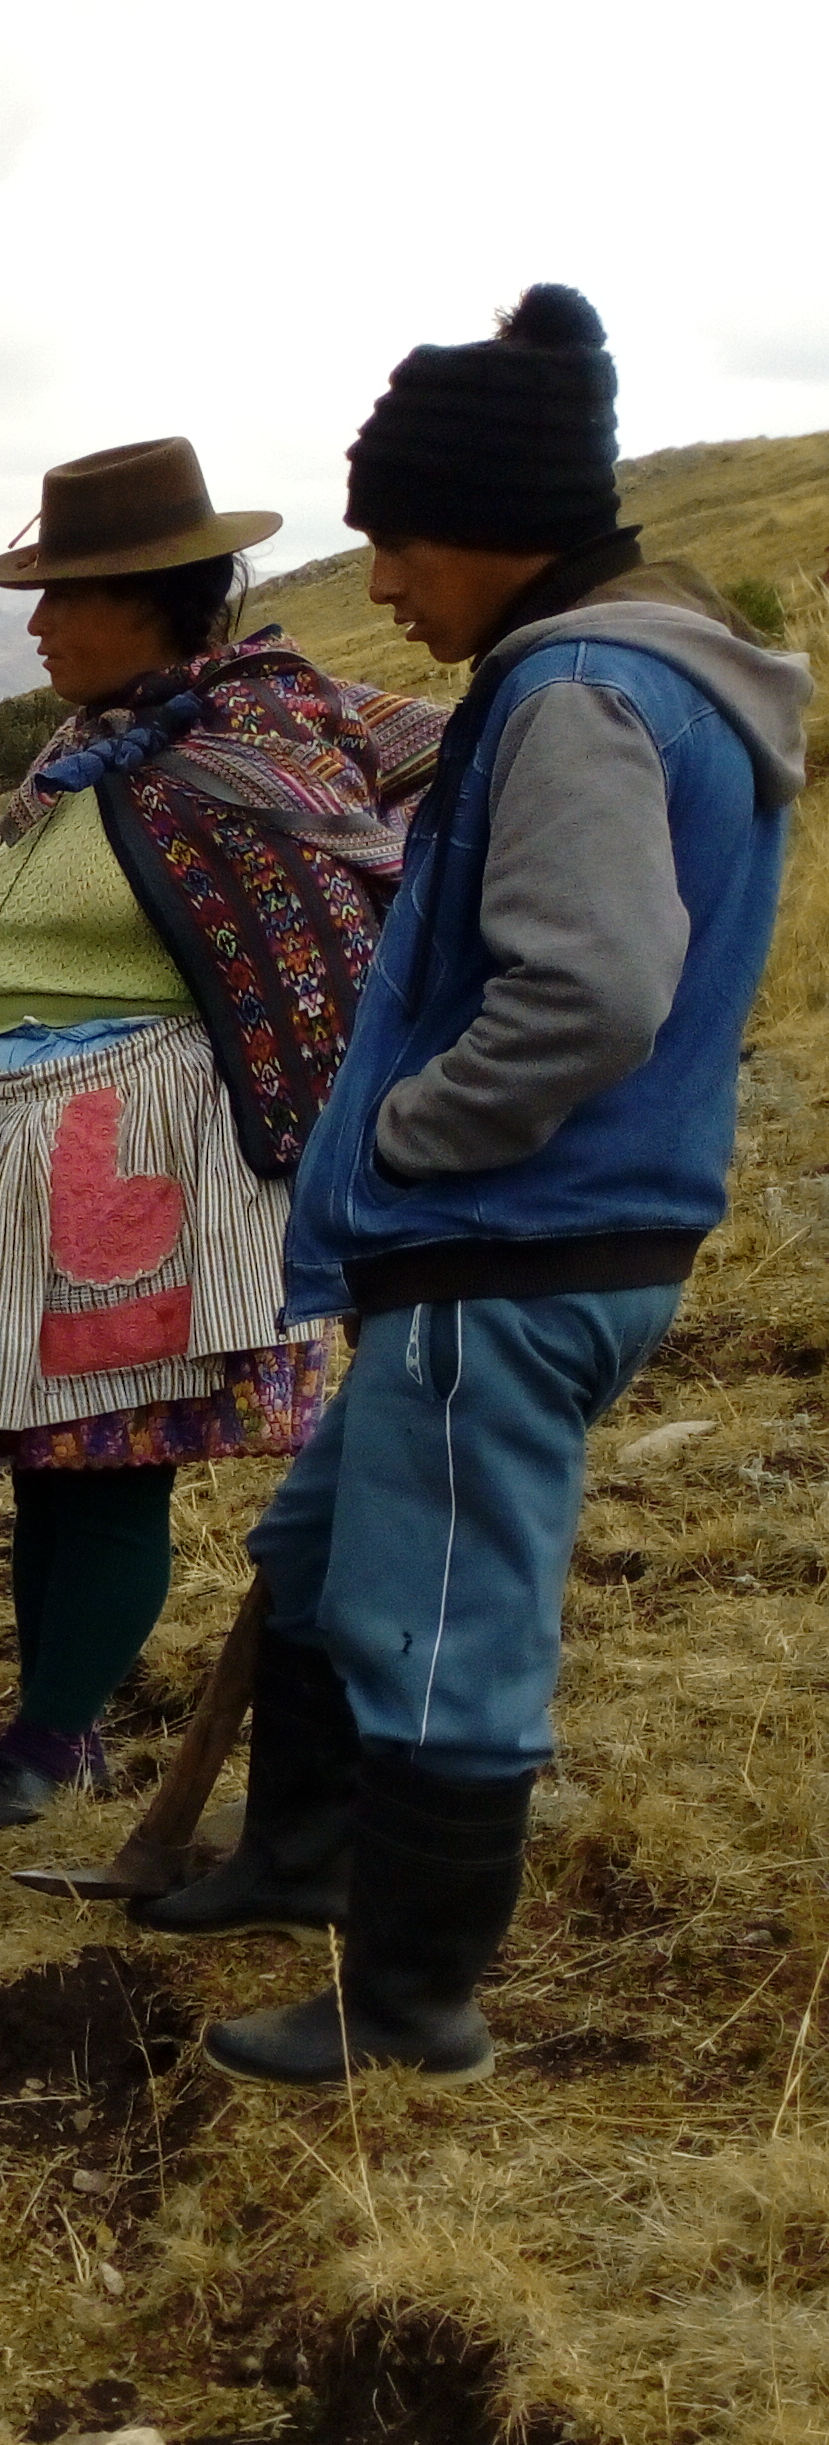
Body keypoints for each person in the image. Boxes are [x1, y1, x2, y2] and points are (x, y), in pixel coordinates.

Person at [168, 287, 807, 2086]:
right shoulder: (624, 669)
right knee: (319, 1553)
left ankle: (410, 2006)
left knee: (449, 1610)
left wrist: (411, 1137)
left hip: (513, 1241)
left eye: (397, 543)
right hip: (528, 1235)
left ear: (493, 531)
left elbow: (593, 986)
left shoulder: (581, 692)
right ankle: (294, 1867)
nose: (382, 588)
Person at [0, 438, 444, 1833]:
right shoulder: (92, 754)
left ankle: (48, 1743)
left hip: (143, 1158)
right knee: (49, 1463)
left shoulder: (252, 748)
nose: (39, 623)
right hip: (34, 1144)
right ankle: (48, 1729)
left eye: (66, 594)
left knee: (114, 1457)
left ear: (159, 596)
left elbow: (374, 865)